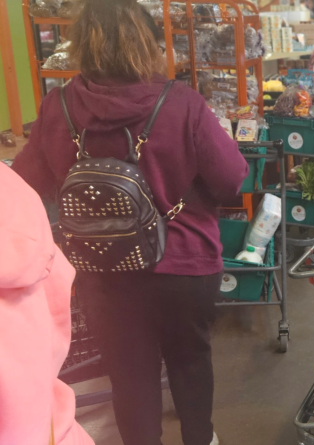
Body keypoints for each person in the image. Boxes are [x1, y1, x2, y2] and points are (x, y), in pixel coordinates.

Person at [11, 1, 249, 444]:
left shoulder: (57, 107)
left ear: (80, 45)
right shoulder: (182, 103)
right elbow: (232, 179)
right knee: (190, 361)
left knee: (129, 374)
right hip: (185, 262)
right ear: (150, 45)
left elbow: (25, 183)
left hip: (103, 268)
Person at [0, 165, 95, 445]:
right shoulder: (11, 189)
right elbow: (226, 177)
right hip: (52, 424)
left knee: (131, 371)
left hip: (96, 266)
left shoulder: (59, 120)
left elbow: (34, 166)